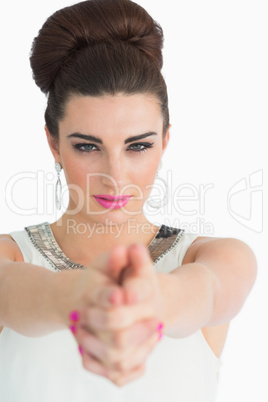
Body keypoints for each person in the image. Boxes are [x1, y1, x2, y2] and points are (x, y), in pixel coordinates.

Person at [0, 0, 257, 401]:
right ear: (53, 143)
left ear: (165, 141)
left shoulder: (215, 257)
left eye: (137, 146)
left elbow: (205, 293)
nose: (114, 176)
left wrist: (153, 301)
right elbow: (13, 293)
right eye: (87, 146)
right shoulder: (9, 258)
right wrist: (81, 298)